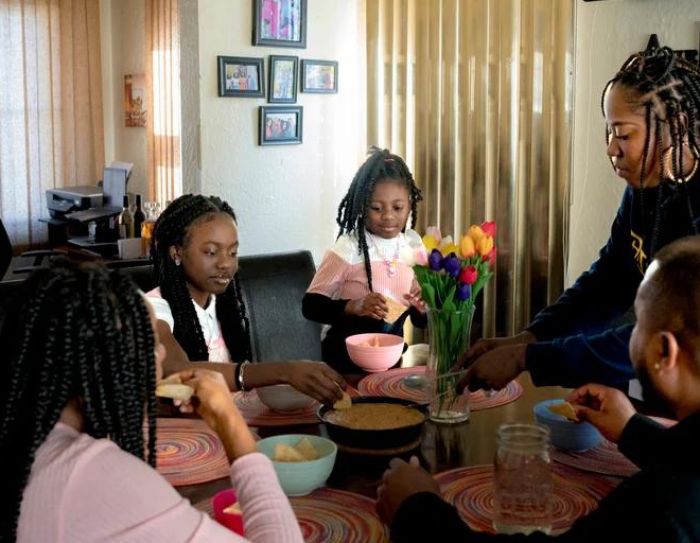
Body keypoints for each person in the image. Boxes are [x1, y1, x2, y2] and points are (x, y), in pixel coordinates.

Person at [377, 235, 700, 541]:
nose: (628, 336)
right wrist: (632, 431)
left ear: (663, 352)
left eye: (637, 325)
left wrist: (416, 509)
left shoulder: (661, 504)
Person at [0, 260, 303, 542]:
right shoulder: (99, 479)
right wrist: (231, 423)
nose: (160, 355)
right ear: (104, 367)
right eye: (149, 344)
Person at [459, 42, 700, 393]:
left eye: (623, 134)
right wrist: (528, 337)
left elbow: (654, 337)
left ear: (674, 126)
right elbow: (608, 280)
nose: (610, 148)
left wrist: (527, 358)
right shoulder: (645, 185)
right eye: (609, 132)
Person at [148, 194, 345, 405]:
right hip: (189, 431)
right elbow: (175, 370)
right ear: (176, 252)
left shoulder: (222, 303)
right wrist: (284, 371)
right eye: (211, 252)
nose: (225, 263)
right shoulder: (154, 307)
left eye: (232, 252)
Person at [302, 147, 426, 373]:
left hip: (390, 361)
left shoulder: (413, 247)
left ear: (410, 204)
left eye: (397, 207)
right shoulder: (348, 248)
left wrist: (423, 308)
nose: (388, 216)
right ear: (361, 206)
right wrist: (354, 306)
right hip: (343, 363)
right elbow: (311, 306)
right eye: (376, 208)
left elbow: (420, 322)